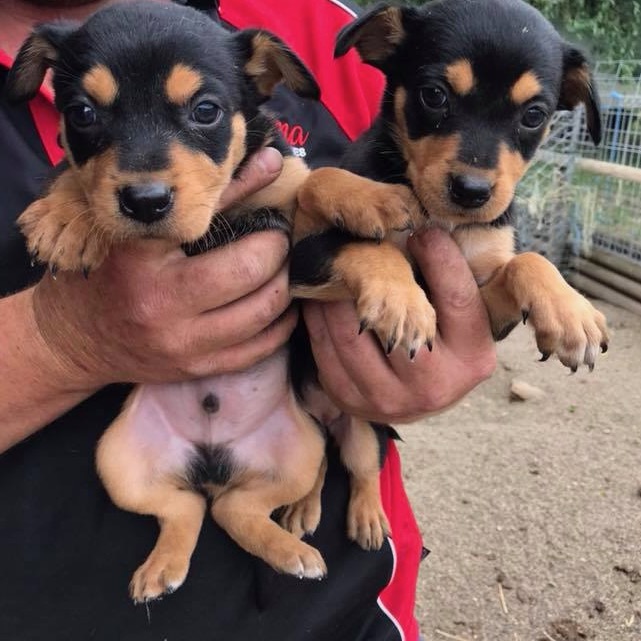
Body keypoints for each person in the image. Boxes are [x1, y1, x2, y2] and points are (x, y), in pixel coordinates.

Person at [0, 0, 496, 638]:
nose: (147, 183)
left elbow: (442, 238)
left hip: (338, 609)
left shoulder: (338, 32)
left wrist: (441, 343)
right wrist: (56, 342)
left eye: (204, 111)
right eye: (89, 113)